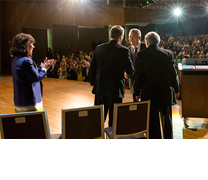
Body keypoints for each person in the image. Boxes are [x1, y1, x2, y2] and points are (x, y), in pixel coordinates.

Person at [134, 31, 179, 139]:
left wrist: (136, 92)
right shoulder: (168, 53)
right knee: (167, 120)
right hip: (165, 91)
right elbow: (173, 73)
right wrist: (176, 89)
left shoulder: (141, 55)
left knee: (152, 121)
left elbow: (139, 76)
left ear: (147, 42)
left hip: (150, 92)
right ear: (158, 42)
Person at [89, 25, 134, 127]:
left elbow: (92, 68)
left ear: (111, 35)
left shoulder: (99, 48)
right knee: (114, 120)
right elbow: (130, 70)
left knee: (98, 119)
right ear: (121, 36)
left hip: (100, 88)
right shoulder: (124, 50)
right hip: (116, 90)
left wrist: (93, 83)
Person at [10, 33, 53, 112]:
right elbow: (36, 77)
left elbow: (29, 73)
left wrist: (41, 67)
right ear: (25, 45)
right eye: (31, 44)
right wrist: (44, 69)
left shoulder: (16, 59)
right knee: (34, 122)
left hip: (20, 99)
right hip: (29, 101)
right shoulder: (26, 61)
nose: (33, 46)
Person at [128, 28, 146, 102]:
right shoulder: (128, 50)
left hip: (145, 81)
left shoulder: (145, 47)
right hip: (133, 81)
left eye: (133, 37)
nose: (131, 39)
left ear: (139, 38)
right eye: (130, 37)